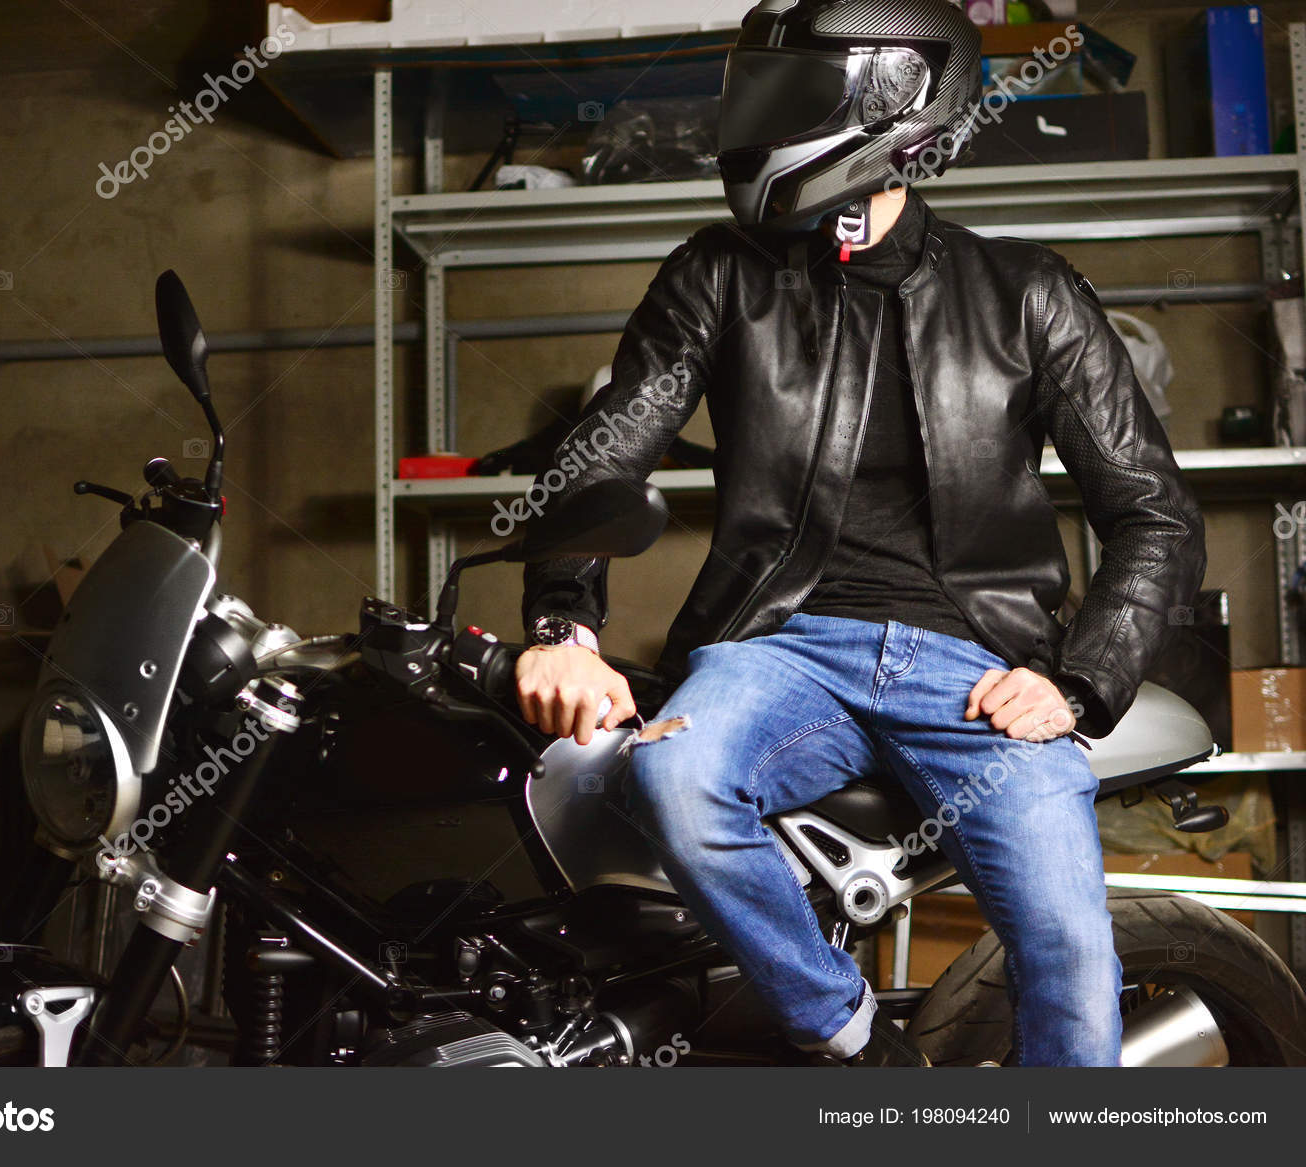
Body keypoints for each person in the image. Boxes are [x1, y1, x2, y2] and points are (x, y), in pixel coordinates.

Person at [513, 0, 1205, 1066]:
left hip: (977, 665)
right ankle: (851, 1042)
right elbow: (603, 454)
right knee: (670, 779)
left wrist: (1075, 680)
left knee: (1069, 952)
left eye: (789, 100)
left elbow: (1154, 513)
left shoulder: (1026, 290)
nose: (754, 125)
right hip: (777, 649)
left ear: (899, 113)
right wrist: (566, 625)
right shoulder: (716, 274)